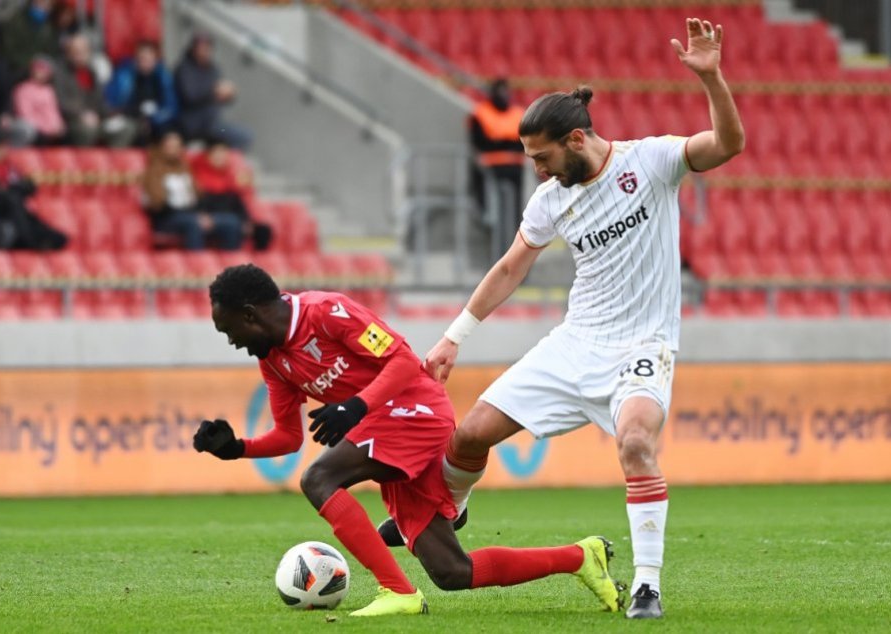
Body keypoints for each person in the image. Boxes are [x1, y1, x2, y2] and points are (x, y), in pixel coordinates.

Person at [378, 18, 746, 620]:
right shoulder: (550, 199)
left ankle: (648, 583)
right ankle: (453, 507)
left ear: (576, 140)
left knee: (634, 443)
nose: (537, 171)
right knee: (468, 436)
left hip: (641, 346)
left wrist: (712, 79)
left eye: (541, 157)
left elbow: (728, 145)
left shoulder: (650, 163)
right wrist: (454, 338)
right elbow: (509, 268)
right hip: (575, 343)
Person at [194, 264, 625, 617]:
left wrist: (356, 406)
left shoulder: (327, 312)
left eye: (228, 329)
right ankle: (580, 557)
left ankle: (396, 590)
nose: (231, 341)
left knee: (318, 479)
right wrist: (237, 449)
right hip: (381, 431)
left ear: (250, 314)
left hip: (416, 412)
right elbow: (288, 437)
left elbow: (401, 359)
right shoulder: (275, 362)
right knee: (452, 572)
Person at [141, 129, 243, 250]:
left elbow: (197, 195)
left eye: (177, 146)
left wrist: (202, 215)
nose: (174, 150)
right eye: (170, 146)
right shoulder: (154, 172)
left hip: (192, 213)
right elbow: (157, 203)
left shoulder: (186, 169)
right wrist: (194, 216)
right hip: (167, 217)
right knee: (193, 224)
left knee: (231, 222)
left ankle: (230, 263)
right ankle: (197, 262)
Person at [469, 78, 526, 259]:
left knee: (516, 212)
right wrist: (507, 143)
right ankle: (485, 214)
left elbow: (523, 143)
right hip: (490, 168)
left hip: (515, 168)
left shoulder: (518, 114)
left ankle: (517, 229)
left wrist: (500, 142)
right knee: (494, 209)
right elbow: (481, 142)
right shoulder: (481, 113)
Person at [189, 137, 271, 250]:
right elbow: (195, 201)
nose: (220, 157)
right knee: (232, 224)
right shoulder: (197, 174)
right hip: (210, 217)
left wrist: (246, 220)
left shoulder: (230, 175)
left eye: (223, 153)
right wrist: (201, 215)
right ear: (207, 155)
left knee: (263, 230)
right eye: (216, 153)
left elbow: (238, 202)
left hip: (231, 216)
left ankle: (261, 263)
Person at [54, 32, 133, 146]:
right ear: (68, 54)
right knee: (88, 130)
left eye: (83, 51)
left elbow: (101, 101)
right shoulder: (61, 74)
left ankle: (113, 162)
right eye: (75, 52)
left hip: (97, 120)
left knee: (126, 127)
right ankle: (85, 163)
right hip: (73, 122)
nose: (80, 55)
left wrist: (114, 113)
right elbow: (61, 102)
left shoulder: (93, 73)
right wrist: (82, 114)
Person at [173, 33, 250, 150]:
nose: (203, 51)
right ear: (193, 49)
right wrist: (213, 91)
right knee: (241, 137)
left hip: (213, 122)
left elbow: (220, 97)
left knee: (245, 136)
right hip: (193, 123)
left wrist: (229, 94)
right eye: (200, 48)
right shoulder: (184, 69)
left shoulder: (213, 69)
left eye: (207, 48)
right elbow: (190, 95)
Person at [105, 40, 177, 147]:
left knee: (170, 132)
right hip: (131, 117)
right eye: (142, 58)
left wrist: (154, 119)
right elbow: (114, 102)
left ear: (155, 60)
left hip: (157, 120)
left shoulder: (164, 77)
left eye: (149, 59)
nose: (146, 62)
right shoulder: (123, 75)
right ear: (136, 59)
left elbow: (171, 106)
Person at [12, 55, 65, 145]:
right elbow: (25, 114)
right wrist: (47, 129)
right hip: (36, 131)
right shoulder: (23, 89)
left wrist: (58, 125)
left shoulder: (49, 90)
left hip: (51, 130)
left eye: (44, 70)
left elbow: (53, 111)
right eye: (38, 69)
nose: (41, 73)